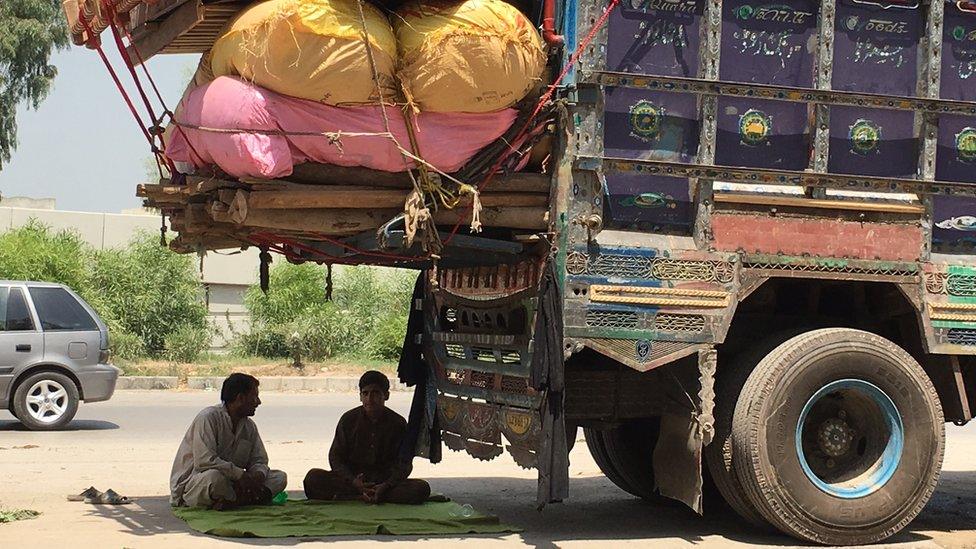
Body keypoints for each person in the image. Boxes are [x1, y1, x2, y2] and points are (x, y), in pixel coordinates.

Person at [304, 370, 430, 504]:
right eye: (365, 393)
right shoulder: (348, 420)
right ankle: (361, 496)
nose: (370, 399)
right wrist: (353, 481)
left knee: (421, 489)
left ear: (386, 395)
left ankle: (366, 495)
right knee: (313, 479)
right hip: (352, 481)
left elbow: (404, 463)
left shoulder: (398, 423)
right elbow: (335, 458)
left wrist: (386, 485)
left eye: (375, 393)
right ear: (360, 396)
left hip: (384, 483)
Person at [170, 373, 287, 509]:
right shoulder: (208, 418)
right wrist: (239, 475)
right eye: (254, 397)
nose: (258, 402)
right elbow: (204, 461)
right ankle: (245, 499)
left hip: (235, 483)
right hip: (195, 483)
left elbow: (259, 460)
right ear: (240, 398)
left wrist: (258, 475)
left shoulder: (249, 427)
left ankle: (234, 500)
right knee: (215, 479)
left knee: (279, 477)